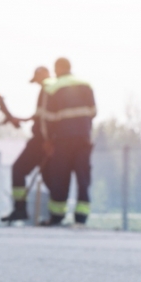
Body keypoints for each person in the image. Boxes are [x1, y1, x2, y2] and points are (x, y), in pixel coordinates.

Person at [40, 58, 96, 226]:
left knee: (60, 178)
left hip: (62, 140)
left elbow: (47, 118)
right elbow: (93, 112)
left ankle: (57, 216)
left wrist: (48, 140)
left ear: (57, 68)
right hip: (83, 139)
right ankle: (81, 217)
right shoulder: (86, 84)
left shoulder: (52, 87)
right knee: (83, 178)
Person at [0, 66, 51, 223]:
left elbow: (45, 119)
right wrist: (20, 120)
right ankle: (55, 215)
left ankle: (20, 209)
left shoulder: (48, 90)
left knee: (18, 169)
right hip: (46, 140)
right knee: (50, 176)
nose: (37, 83)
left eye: (37, 80)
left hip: (42, 141)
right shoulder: (47, 91)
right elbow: (38, 116)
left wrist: (47, 140)